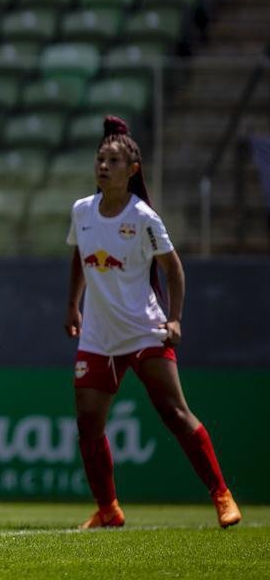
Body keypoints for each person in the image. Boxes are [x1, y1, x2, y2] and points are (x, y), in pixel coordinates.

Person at [65, 116, 241, 530]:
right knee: (88, 422)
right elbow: (78, 256)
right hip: (97, 335)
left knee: (174, 412)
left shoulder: (143, 217)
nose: (103, 166)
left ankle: (222, 496)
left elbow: (174, 270)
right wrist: (72, 305)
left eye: (112, 160)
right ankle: (108, 508)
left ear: (132, 169)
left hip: (144, 330)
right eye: (99, 159)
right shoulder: (81, 211)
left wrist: (175, 319)